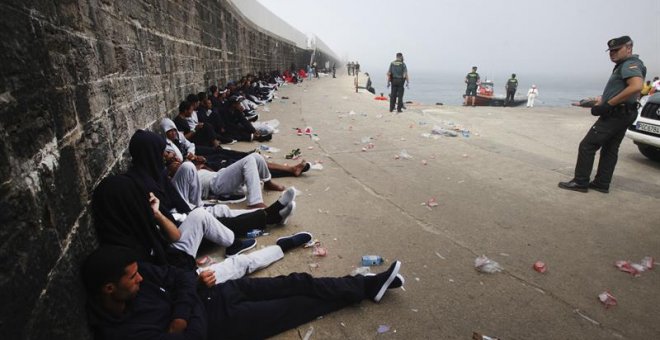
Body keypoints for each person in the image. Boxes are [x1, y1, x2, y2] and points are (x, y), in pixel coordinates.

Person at [82, 245, 404, 339]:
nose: (140, 279)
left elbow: (180, 277)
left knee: (297, 281)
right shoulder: (122, 332)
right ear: (109, 289)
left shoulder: (141, 278)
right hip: (224, 322)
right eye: (132, 277)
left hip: (219, 294)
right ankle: (363, 289)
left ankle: (367, 284)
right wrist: (189, 299)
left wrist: (180, 311)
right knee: (297, 305)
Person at [558, 36, 646, 193]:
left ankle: (580, 182)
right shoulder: (626, 65)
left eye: (616, 50)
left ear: (629, 48)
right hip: (625, 112)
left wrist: (608, 105)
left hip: (615, 114)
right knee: (610, 148)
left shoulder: (629, 64)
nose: (612, 53)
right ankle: (602, 183)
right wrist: (600, 101)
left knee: (587, 145)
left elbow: (636, 86)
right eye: (610, 51)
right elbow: (625, 90)